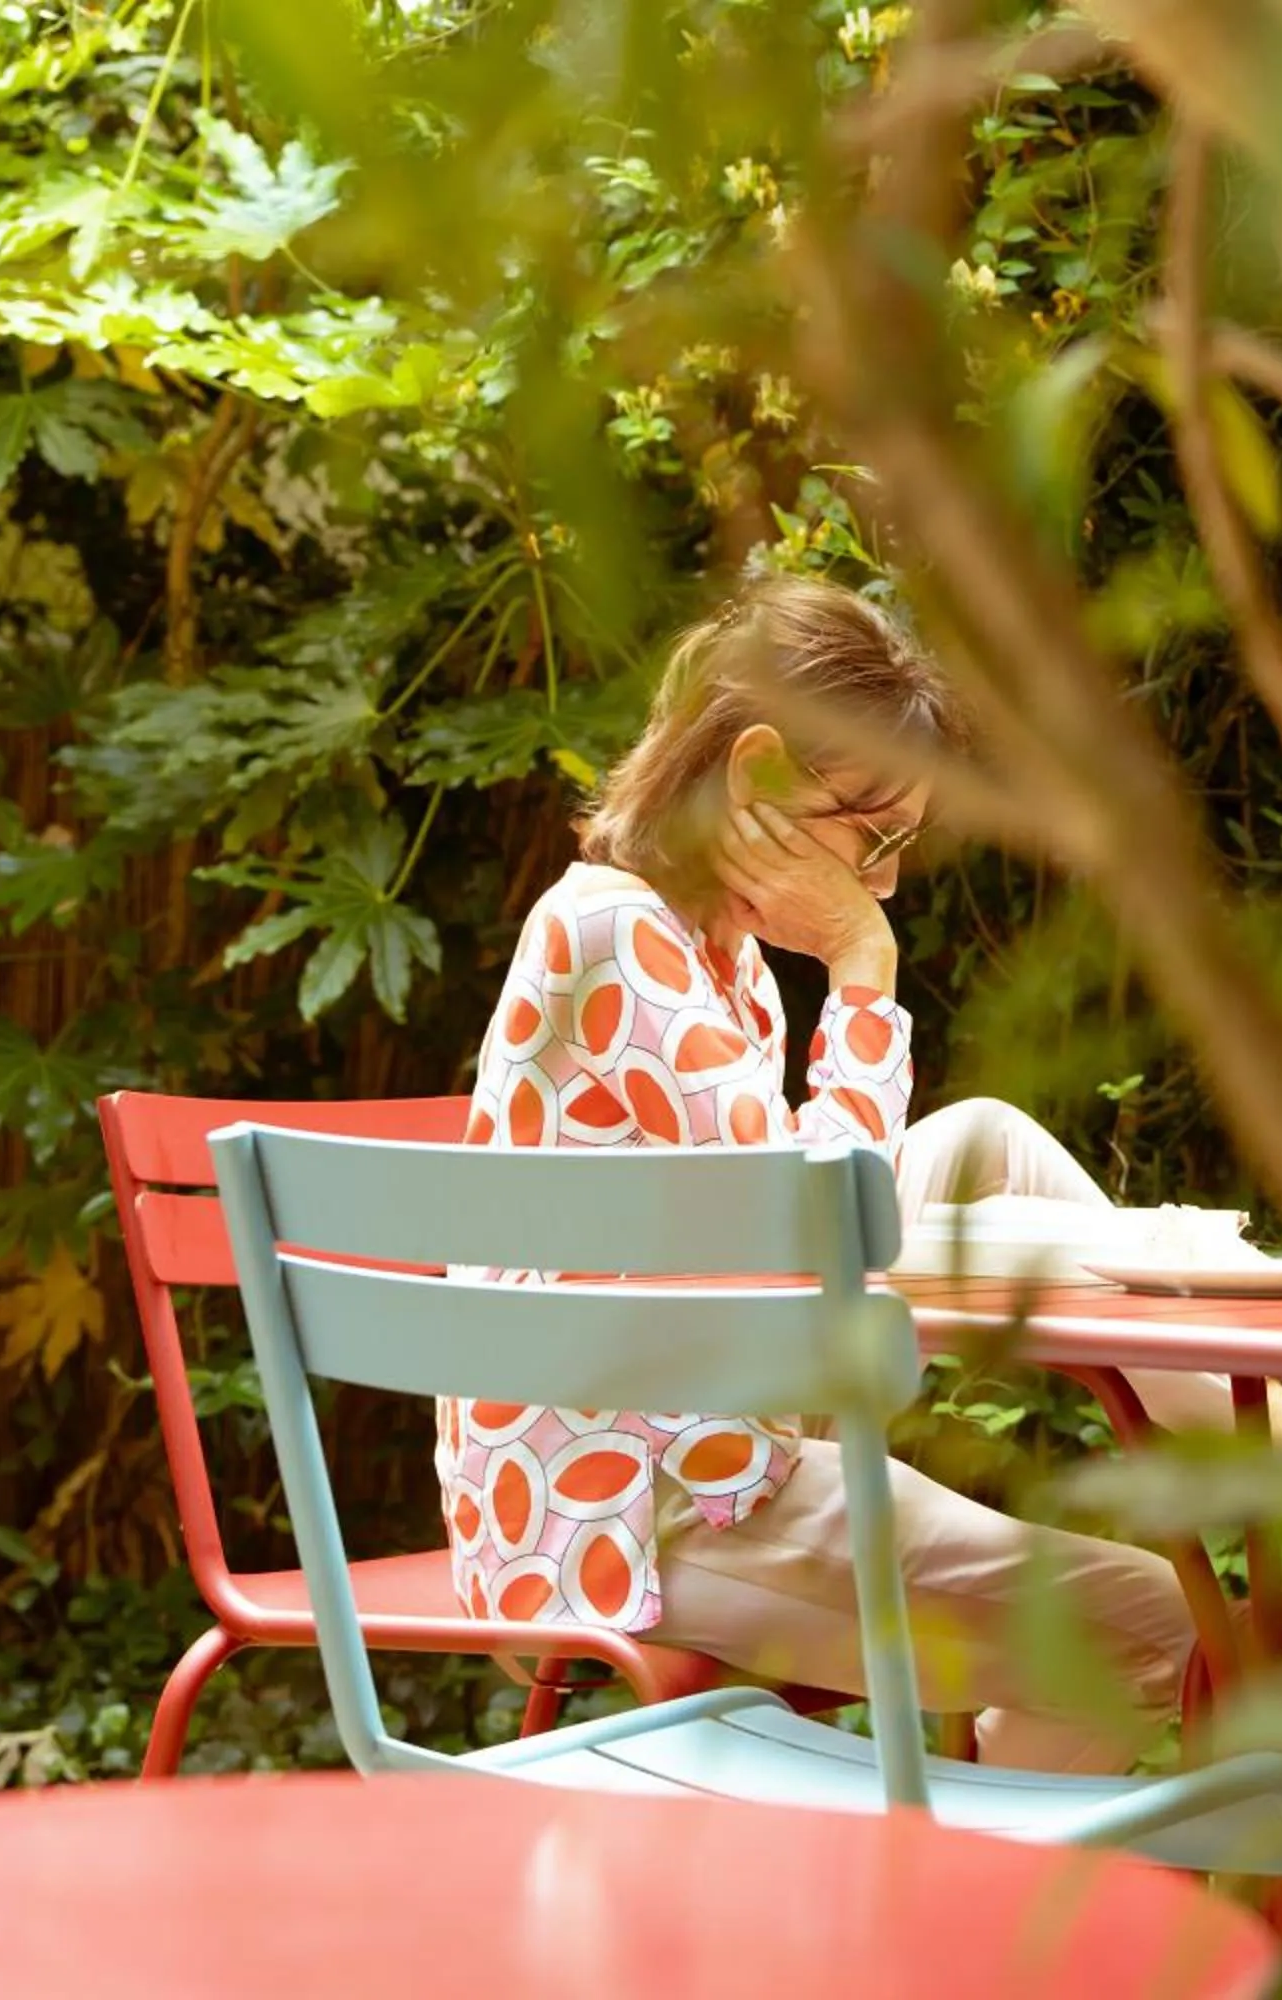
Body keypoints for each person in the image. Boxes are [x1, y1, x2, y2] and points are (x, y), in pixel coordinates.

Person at [438, 576, 1210, 1773]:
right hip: (644, 1513)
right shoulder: (610, 934)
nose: (885, 879)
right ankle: (968, 1937)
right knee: (1152, 1625)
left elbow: (811, 1219)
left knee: (988, 1138)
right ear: (758, 777)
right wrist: (861, 963)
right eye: (876, 836)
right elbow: (822, 1235)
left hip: (714, 1453)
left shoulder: (711, 959)